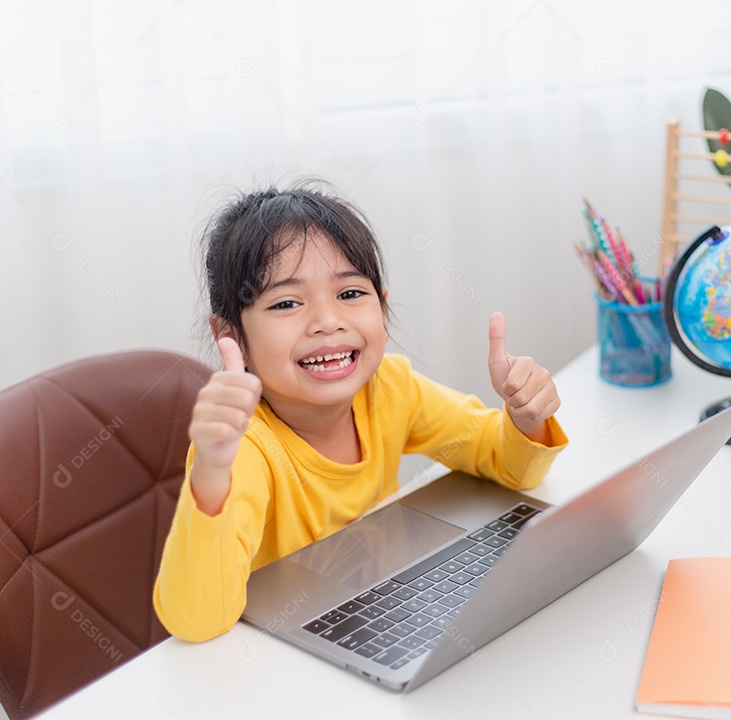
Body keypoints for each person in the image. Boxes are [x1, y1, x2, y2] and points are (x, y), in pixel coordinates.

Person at [154, 182, 567, 642]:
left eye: (350, 294)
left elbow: (503, 461)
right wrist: (211, 474)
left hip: (381, 615)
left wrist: (525, 415)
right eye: (287, 303)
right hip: (287, 656)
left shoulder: (389, 387)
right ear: (229, 334)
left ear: (382, 309)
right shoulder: (244, 451)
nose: (328, 321)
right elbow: (197, 621)